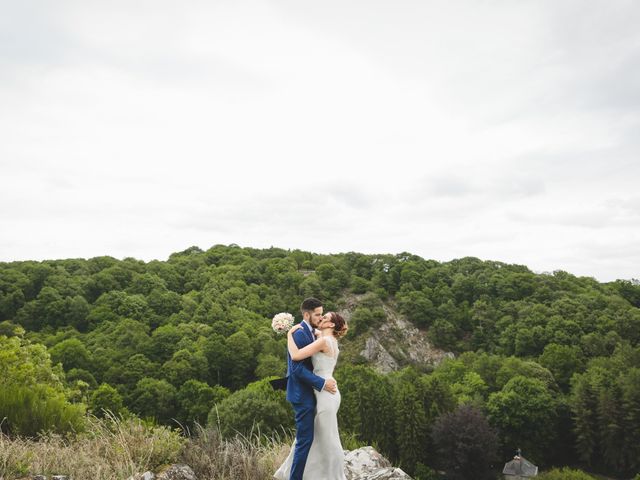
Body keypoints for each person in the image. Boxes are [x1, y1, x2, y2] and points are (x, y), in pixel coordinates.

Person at [274, 306, 349, 480]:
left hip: (325, 394)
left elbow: (296, 355)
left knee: (328, 438)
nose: (321, 318)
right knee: (315, 436)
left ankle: (336, 476)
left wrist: (289, 335)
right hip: (326, 391)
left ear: (330, 324)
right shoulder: (325, 338)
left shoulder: (324, 341)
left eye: (324, 317)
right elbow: (312, 330)